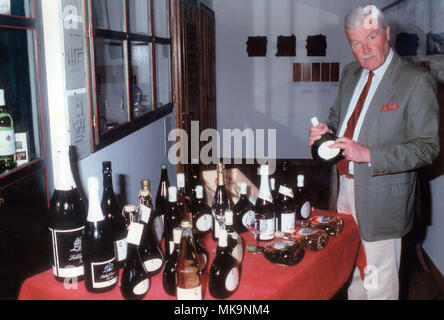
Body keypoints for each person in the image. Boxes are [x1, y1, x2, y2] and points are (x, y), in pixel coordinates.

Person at [309, 4, 440, 300]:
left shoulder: (415, 81)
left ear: (387, 33)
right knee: (353, 273)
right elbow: (336, 118)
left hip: (383, 198)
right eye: (355, 42)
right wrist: (323, 133)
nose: (364, 49)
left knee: (379, 286)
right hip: (343, 189)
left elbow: (427, 148)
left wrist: (369, 154)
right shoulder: (351, 72)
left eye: (370, 38)